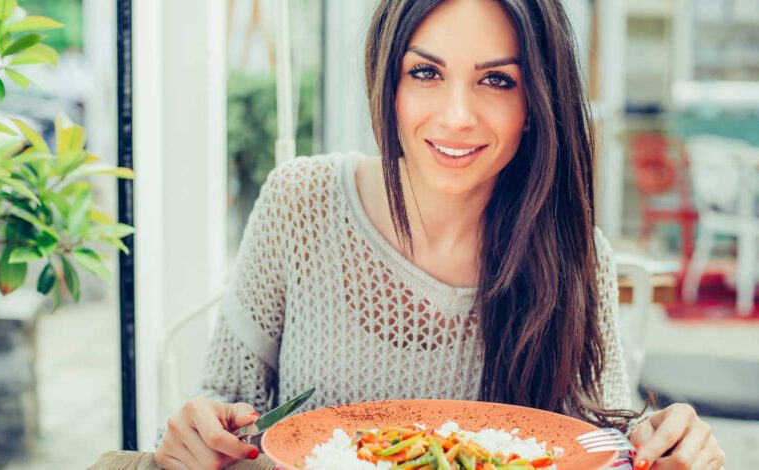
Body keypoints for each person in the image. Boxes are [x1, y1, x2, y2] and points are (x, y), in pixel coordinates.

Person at [155, 1, 726, 469]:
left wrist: (664, 449)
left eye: (497, 80)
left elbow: (602, 449)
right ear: (389, 83)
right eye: (425, 72)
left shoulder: (575, 258)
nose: (457, 116)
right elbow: (223, 415)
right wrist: (197, 436)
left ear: (534, 105)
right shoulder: (299, 205)